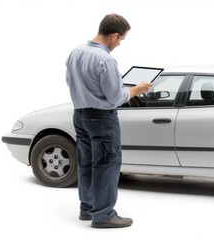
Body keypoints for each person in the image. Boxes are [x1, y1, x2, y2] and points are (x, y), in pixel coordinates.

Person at [65, 13, 152, 228]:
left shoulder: (76, 52)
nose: (120, 43)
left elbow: (69, 81)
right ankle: (103, 215)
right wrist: (136, 90)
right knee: (106, 163)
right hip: (102, 118)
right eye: (121, 39)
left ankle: (87, 208)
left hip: (80, 115)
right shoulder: (106, 59)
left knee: (86, 163)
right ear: (114, 36)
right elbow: (116, 98)